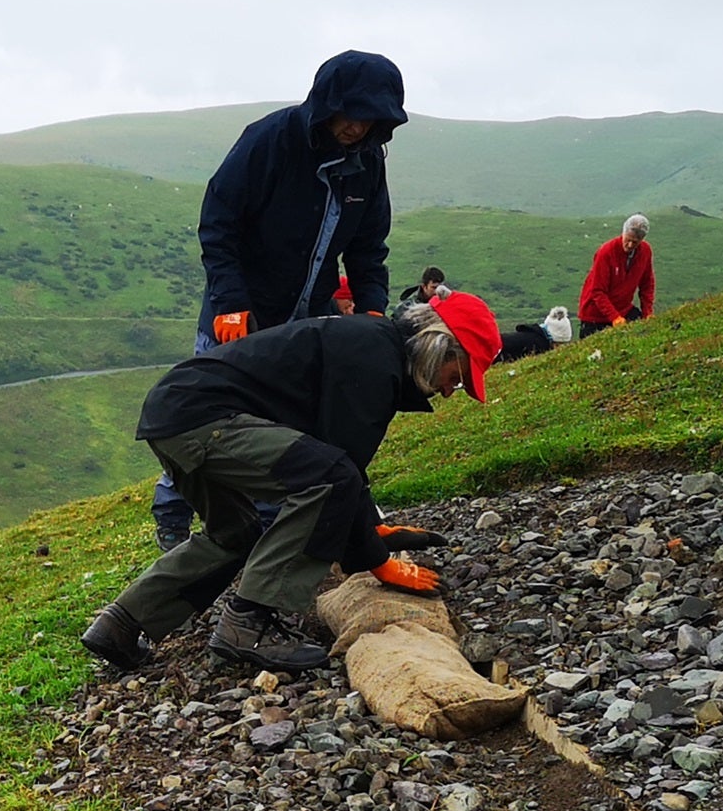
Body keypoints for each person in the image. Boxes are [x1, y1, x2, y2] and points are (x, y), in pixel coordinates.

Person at [82, 295, 502, 675]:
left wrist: (372, 532)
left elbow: (336, 460)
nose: (451, 391)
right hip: (203, 419)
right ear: (438, 345)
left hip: (174, 413)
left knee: (236, 533)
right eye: (458, 375)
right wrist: (376, 560)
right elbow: (340, 471)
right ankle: (248, 622)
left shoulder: (371, 346)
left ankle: (121, 625)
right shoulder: (375, 358)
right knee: (329, 479)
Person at [151, 50, 411, 551]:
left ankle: (270, 530)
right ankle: (173, 521)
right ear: (327, 103)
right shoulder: (269, 140)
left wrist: (372, 307)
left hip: (305, 317)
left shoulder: (367, 166)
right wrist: (229, 302)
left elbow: (367, 245)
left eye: (370, 120)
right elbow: (219, 223)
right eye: (350, 115)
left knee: (286, 423)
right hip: (240, 311)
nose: (356, 128)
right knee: (203, 417)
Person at [577, 214, 656, 329]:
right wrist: (614, 317)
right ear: (623, 233)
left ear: (642, 240)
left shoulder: (645, 251)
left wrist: (647, 313)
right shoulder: (606, 252)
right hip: (595, 315)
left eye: (635, 242)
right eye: (628, 240)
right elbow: (597, 291)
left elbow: (647, 284)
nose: (630, 245)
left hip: (623, 310)